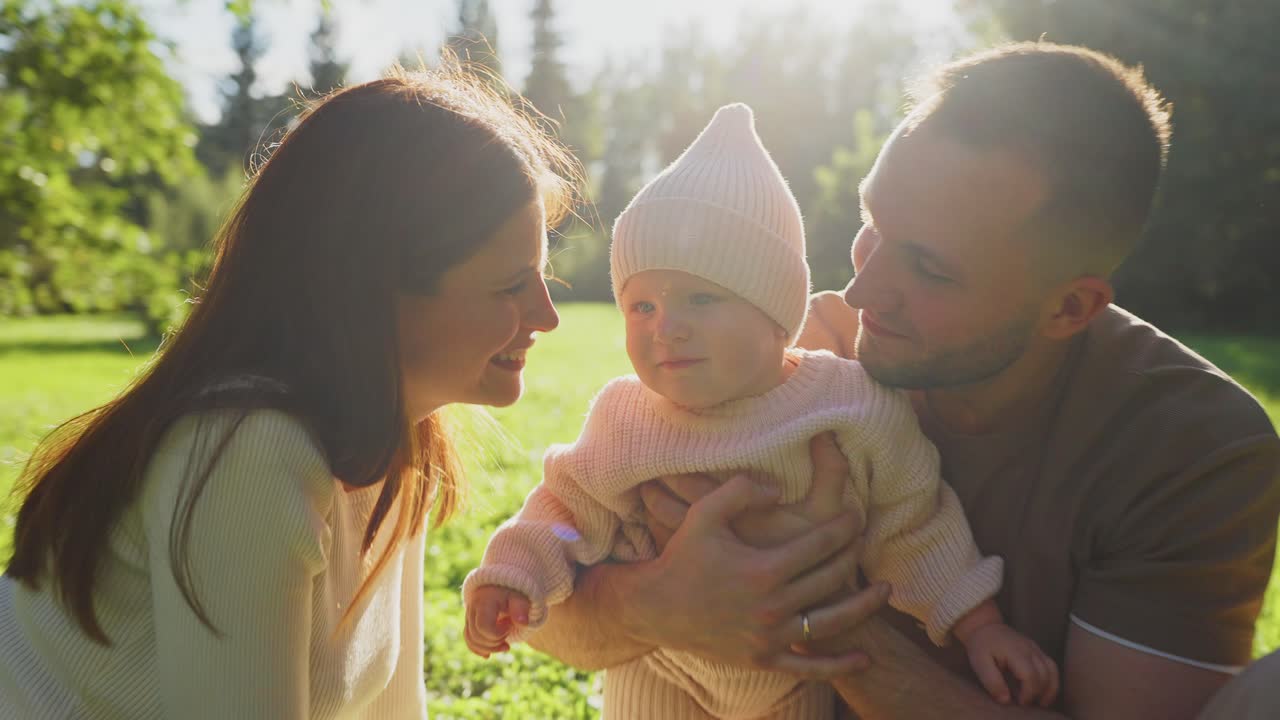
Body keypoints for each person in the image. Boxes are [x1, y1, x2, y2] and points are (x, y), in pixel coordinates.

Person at [522, 42, 1280, 719]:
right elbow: (554, 598)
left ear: (1069, 306)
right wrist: (656, 607)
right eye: (872, 223)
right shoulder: (793, 361)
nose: (860, 291)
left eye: (930, 268)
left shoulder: (1194, 452)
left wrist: (820, 613)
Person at [0, 60, 578, 719]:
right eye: (510, 286)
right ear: (374, 290)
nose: (545, 316)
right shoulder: (246, 451)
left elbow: (393, 710)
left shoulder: (397, 433)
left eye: (539, 277)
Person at [462, 104, 1057, 719]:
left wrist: (979, 626)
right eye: (642, 307)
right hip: (663, 663)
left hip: (798, 673)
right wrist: (513, 573)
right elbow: (565, 508)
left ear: (776, 314)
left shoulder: (849, 406)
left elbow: (914, 524)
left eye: (700, 299)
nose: (668, 328)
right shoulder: (625, 418)